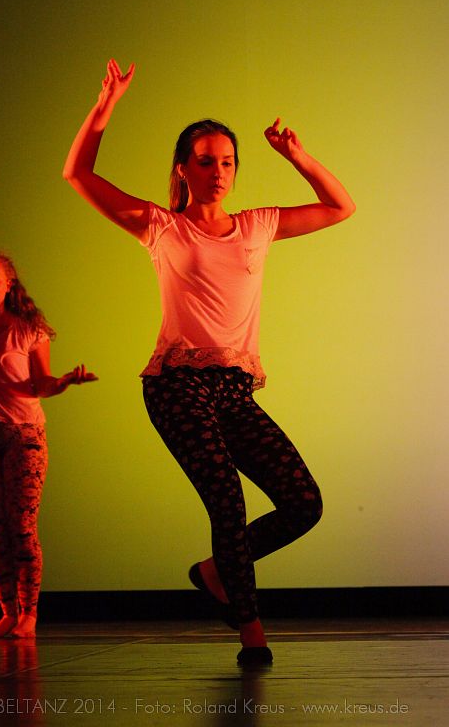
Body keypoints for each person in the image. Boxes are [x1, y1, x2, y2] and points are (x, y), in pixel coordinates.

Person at [62, 58, 355, 665]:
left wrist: (297, 155)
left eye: (226, 162)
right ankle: (251, 630)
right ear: (183, 168)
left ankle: (215, 572)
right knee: (227, 500)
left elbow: (339, 206)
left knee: (304, 503)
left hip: (233, 390)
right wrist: (106, 104)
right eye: (204, 161)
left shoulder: (257, 226)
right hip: (177, 386)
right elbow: (77, 174)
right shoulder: (161, 227)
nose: (217, 172)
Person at [0, 251, 97, 639]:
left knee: (22, 526)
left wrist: (63, 382)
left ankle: (29, 614)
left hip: (23, 438)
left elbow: (40, 383)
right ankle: (8, 611)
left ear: (9, 284)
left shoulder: (28, 329)